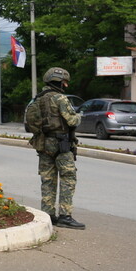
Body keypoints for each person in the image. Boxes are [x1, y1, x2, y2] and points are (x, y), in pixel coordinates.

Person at [29, 67, 85, 229]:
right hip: (62, 144)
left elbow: (32, 123)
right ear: (60, 83)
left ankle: (48, 215)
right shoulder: (60, 98)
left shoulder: (37, 99)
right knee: (68, 178)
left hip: (43, 143)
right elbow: (72, 121)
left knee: (47, 179)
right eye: (64, 82)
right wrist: (79, 116)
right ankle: (65, 216)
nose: (65, 85)